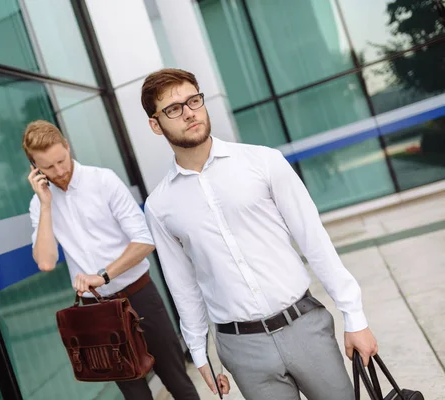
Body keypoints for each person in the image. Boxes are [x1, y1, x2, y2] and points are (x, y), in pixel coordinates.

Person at [141, 68, 378, 400]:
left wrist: (354, 316)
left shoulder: (263, 162)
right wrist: (200, 353)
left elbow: (314, 241)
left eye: (194, 100)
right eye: (173, 108)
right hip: (241, 348)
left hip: (304, 328)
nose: (190, 112)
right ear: (155, 124)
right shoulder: (160, 205)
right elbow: (183, 287)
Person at [22, 120, 216, 400]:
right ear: (35, 168)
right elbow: (46, 261)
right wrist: (46, 204)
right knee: (135, 396)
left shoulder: (103, 181)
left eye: (61, 160)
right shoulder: (40, 205)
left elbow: (144, 240)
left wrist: (102, 276)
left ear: (67, 146)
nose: (60, 171)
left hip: (140, 297)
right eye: (49, 167)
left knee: (178, 383)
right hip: (97, 312)